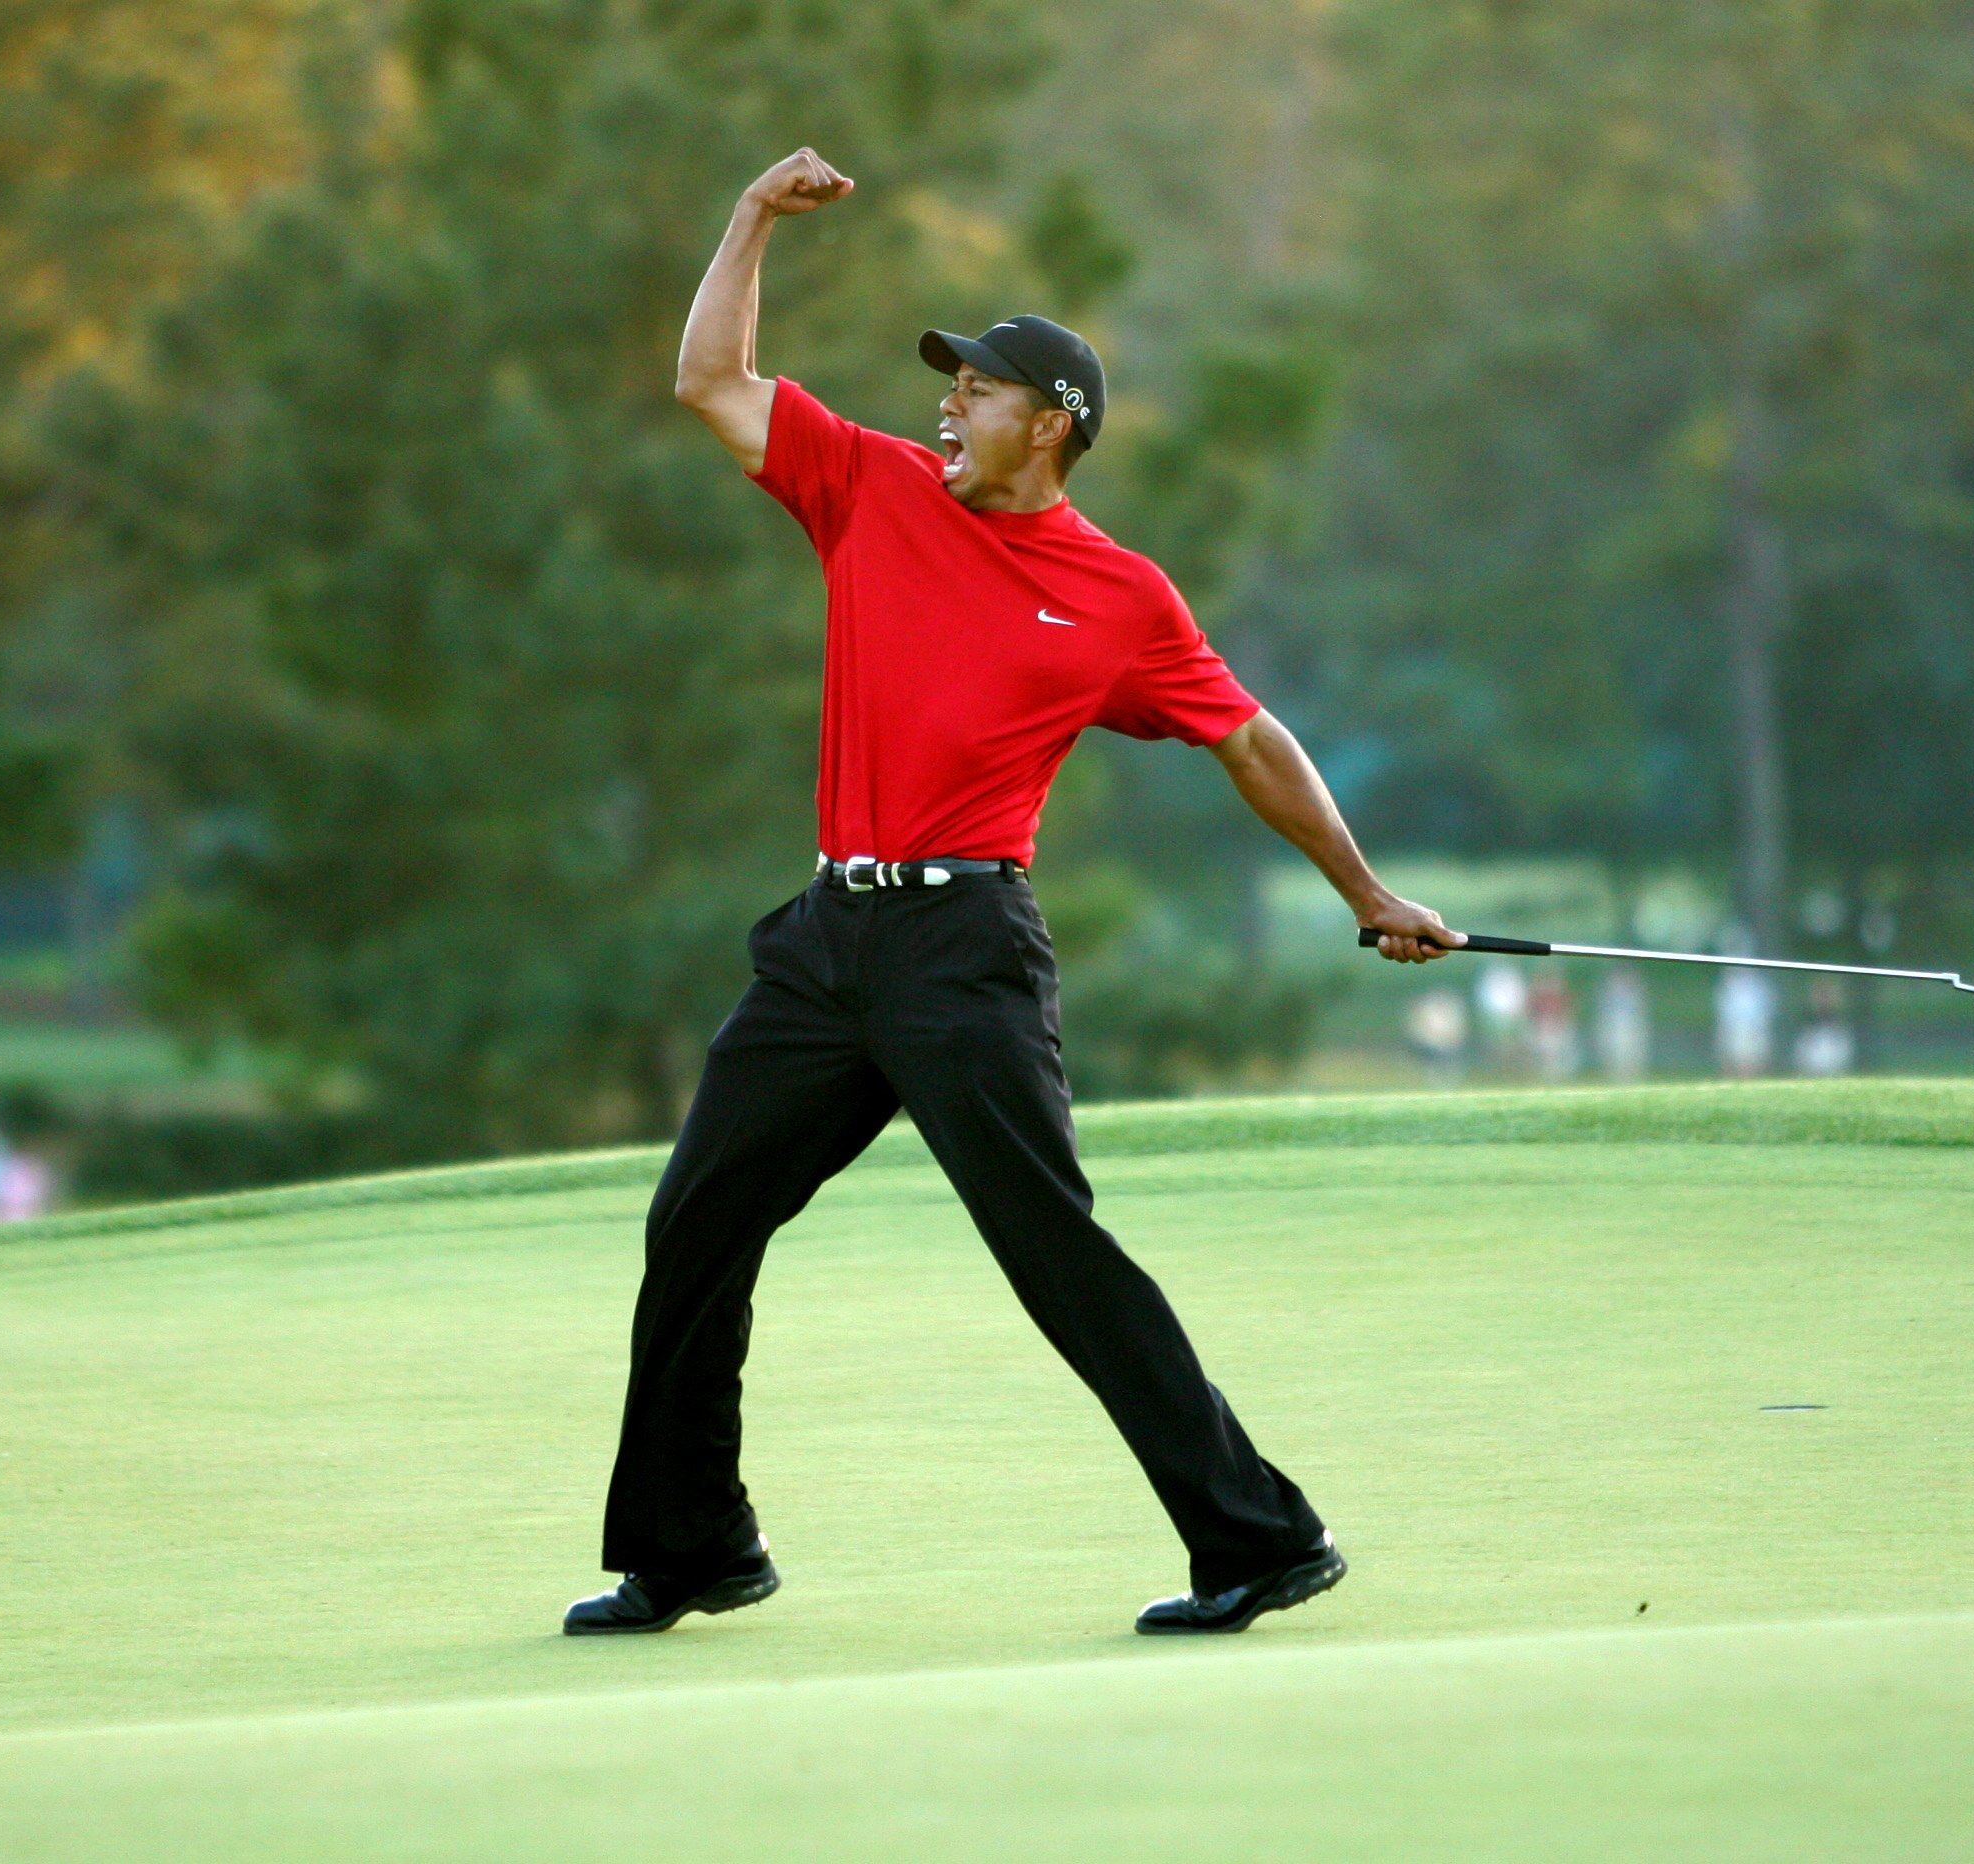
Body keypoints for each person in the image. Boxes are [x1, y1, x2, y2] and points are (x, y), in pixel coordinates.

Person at [565, 151, 1462, 1639]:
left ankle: (1260, 1539)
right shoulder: (869, 489)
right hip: (825, 943)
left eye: (978, 390)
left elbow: (1248, 740)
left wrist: (1364, 890)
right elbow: (709, 380)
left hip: (961, 948)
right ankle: (695, 1546)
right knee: (695, 1222)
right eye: (951, 388)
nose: (948, 406)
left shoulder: (1120, 595)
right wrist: (748, 215)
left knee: (1050, 1245)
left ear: (1052, 425)